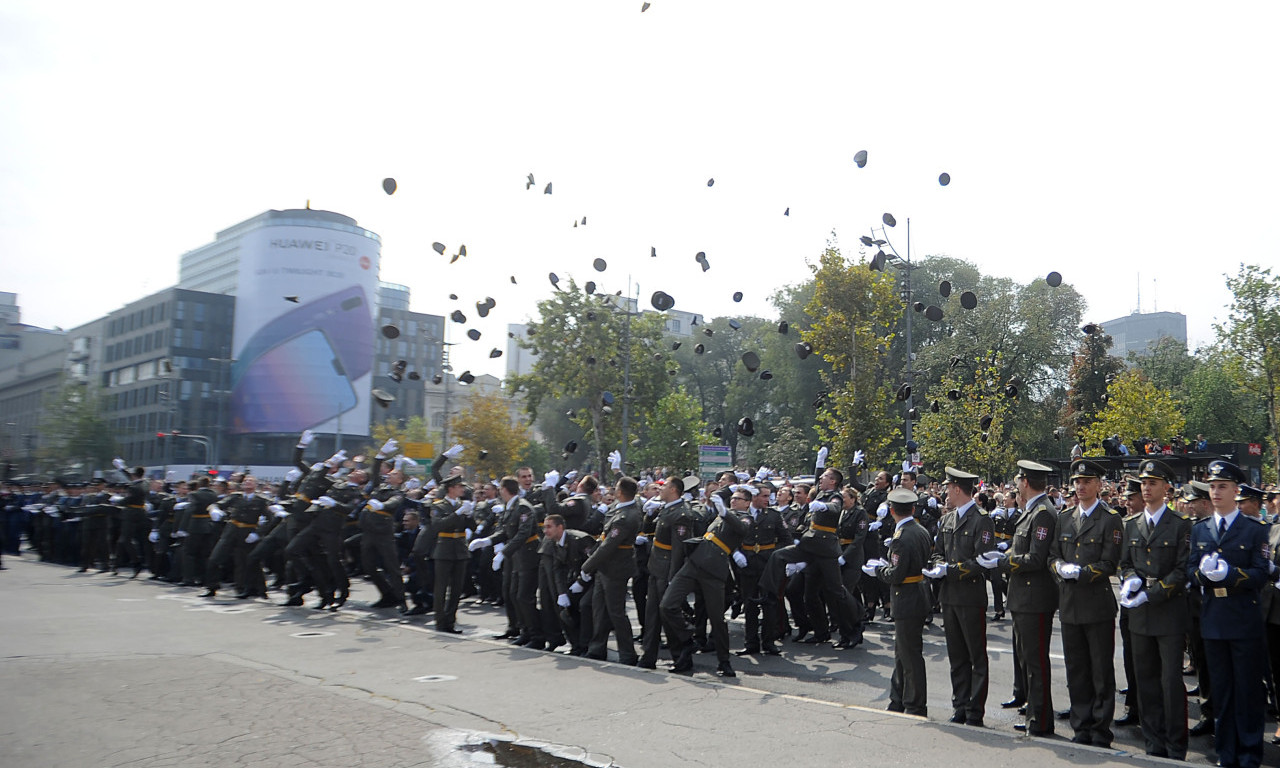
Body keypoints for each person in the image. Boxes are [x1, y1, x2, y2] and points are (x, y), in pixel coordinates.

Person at [1188, 460, 1268, 768]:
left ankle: (1249, 754)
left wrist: (1231, 574)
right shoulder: (1200, 530)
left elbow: (1261, 574)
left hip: (1243, 620)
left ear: (1236, 491)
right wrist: (1204, 575)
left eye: (1222, 486)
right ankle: (1227, 752)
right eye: (1212, 486)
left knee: (1247, 691)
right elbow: (1191, 571)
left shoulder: (1253, 529)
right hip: (1213, 620)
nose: (1216, 492)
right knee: (1221, 691)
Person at [1118, 459, 1191, 760]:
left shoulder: (1180, 525)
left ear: (1166, 488)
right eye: (1144, 483)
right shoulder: (1130, 524)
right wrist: (1130, 580)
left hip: (1168, 611)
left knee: (1171, 681)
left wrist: (1152, 594)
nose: (1146, 488)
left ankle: (1175, 744)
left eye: (1152, 483)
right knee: (1145, 679)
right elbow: (1124, 563)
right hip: (1139, 614)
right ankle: (1153, 740)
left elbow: (1182, 569)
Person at [1049, 459, 1124, 748]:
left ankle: (1100, 728)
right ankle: (1081, 725)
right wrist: (1059, 568)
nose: (1080, 486)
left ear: (1098, 485)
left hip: (1096, 603)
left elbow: (1110, 562)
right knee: (1076, 669)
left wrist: (1082, 572)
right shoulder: (1064, 517)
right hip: (1069, 604)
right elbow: (1052, 555)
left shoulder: (1109, 519)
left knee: (1100, 670)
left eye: (1087, 481)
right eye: (1077, 482)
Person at [981, 459, 1058, 737]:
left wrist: (1002, 562)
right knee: (1028, 659)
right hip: (1024, 596)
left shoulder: (1043, 513)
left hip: (1034, 597)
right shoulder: (1033, 511)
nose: (1016, 486)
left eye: (1018, 482)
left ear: (1025, 483)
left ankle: (1040, 720)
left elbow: (1037, 558)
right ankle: (1033, 713)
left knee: (1036, 661)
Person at [925, 466, 994, 727]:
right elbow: (938, 552)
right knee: (956, 655)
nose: (945, 493)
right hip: (949, 595)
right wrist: (938, 565)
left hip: (970, 594)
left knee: (976, 655)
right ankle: (960, 705)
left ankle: (975, 710)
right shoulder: (947, 519)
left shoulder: (981, 519)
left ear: (957, 489)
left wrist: (951, 570)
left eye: (948, 488)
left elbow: (982, 559)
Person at [661, 483, 749, 677]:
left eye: (738, 498)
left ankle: (724, 661)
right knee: (667, 605)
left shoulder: (744, 517)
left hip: (714, 569)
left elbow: (742, 529)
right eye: (732, 498)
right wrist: (728, 486)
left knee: (717, 618)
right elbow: (716, 495)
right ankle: (687, 639)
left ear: (747, 504)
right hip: (693, 563)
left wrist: (725, 511)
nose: (733, 500)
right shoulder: (720, 512)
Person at [864, 487, 932, 716]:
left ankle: (915, 703)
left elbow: (896, 575)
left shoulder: (901, 537)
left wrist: (878, 570)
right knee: (902, 652)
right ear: (912, 509)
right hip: (917, 594)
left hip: (907, 597)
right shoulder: (919, 529)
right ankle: (898, 698)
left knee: (909, 654)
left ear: (892, 510)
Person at [638, 476, 700, 668]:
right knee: (652, 616)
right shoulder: (666, 508)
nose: (660, 490)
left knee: (667, 613)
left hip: (666, 569)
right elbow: (648, 530)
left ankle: (682, 651)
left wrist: (674, 577)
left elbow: (679, 549)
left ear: (673, 489)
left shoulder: (682, 514)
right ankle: (649, 657)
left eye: (664, 487)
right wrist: (648, 515)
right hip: (656, 566)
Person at [579, 476, 642, 664]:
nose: (613, 491)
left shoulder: (626, 516)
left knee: (616, 612)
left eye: (616, 488)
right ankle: (597, 648)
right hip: (605, 566)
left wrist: (587, 566)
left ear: (620, 492)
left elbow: (609, 545)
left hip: (616, 568)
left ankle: (628, 653)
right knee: (599, 609)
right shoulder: (620, 508)